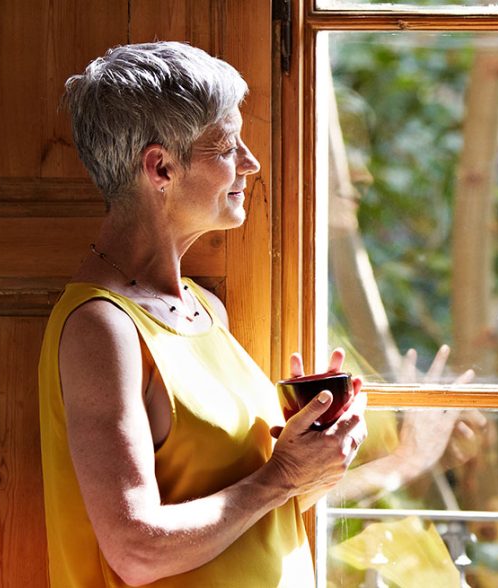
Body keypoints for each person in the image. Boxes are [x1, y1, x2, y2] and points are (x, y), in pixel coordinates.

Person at [38, 41, 367, 587]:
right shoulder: (102, 326)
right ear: (161, 167)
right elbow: (137, 550)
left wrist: (316, 455)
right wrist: (284, 475)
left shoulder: (205, 309)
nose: (251, 164)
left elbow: (247, 508)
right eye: (228, 146)